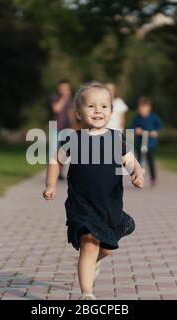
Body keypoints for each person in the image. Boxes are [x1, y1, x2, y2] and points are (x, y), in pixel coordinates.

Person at [42, 81, 144, 300]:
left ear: (111, 111)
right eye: (91, 106)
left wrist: (138, 173)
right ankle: (87, 293)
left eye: (104, 106)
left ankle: (95, 261)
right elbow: (55, 161)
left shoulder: (117, 139)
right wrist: (50, 184)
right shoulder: (72, 139)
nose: (98, 110)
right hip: (81, 205)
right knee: (88, 243)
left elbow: (130, 161)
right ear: (78, 112)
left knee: (106, 247)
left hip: (109, 205)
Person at [130, 96, 163, 186]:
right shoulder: (137, 118)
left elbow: (159, 125)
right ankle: (139, 177)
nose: (141, 109)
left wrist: (155, 131)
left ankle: (153, 178)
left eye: (143, 107)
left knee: (150, 161)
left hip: (150, 143)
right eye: (140, 107)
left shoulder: (153, 117)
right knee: (139, 161)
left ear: (149, 108)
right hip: (139, 143)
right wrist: (136, 130)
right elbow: (131, 127)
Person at [49, 79, 73, 179]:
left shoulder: (71, 99)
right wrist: (64, 97)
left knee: (65, 152)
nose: (64, 90)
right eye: (62, 88)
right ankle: (52, 174)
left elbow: (72, 113)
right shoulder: (54, 97)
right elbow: (56, 109)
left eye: (66, 88)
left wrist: (74, 127)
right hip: (55, 127)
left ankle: (61, 173)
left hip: (67, 128)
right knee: (53, 151)